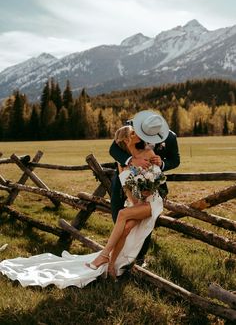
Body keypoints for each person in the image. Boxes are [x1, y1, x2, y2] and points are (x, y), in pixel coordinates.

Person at [0, 112, 167, 288]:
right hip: (136, 202)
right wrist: (135, 192)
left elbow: (157, 183)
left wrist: (155, 169)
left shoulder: (149, 153)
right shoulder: (122, 163)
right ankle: (110, 267)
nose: (136, 135)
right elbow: (130, 193)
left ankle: (104, 254)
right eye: (132, 134)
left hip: (152, 201)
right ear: (126, 140)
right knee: (125, 228)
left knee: (123, 214)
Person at [109, 110, 180, 266]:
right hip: (124, 180)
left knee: (144, 221)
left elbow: (175, 161)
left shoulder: (171, 137)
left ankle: (139, 258)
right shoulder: (130, 128)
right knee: (118, 214)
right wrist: (131, 160)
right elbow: (113, 150)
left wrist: (161, 163)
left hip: (149, 184)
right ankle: (118, 255)